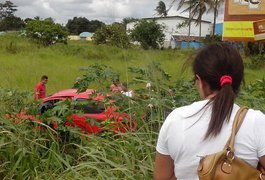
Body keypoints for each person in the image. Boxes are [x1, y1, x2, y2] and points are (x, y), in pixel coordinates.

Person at [154, 43, 265, 180]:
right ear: (239, 81)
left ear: (200, 81)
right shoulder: (256, 122)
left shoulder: (176, 119)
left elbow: (162, 177)